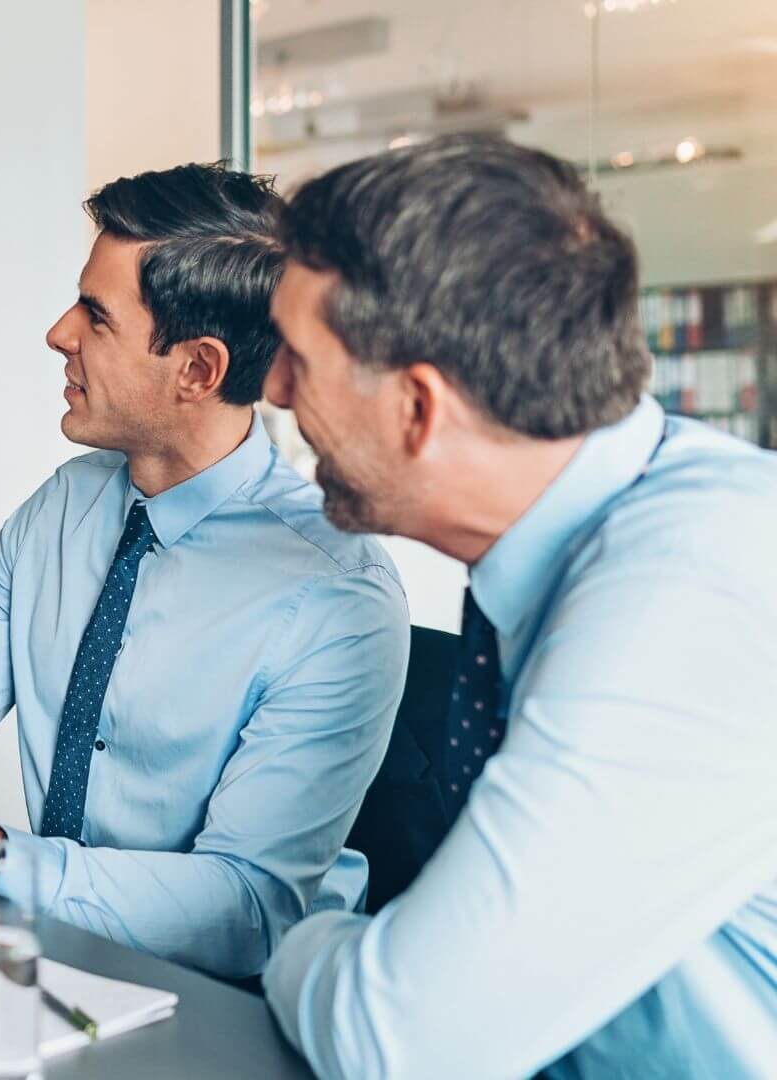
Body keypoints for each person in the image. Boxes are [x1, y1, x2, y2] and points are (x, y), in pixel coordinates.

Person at [0, 164, 410, 979]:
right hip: (66, 951)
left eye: (96, 316)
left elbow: (247, 909)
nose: (59, 334)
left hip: (234, 998)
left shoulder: (335, 594)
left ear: (198, 370)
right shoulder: (64, 507)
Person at [259, 134, 777, 1077]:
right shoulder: (583, 545)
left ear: (419, 408)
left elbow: (397, 1040)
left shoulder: (688, 597)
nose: (273, 389)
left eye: (297, 359)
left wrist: (300, 939)